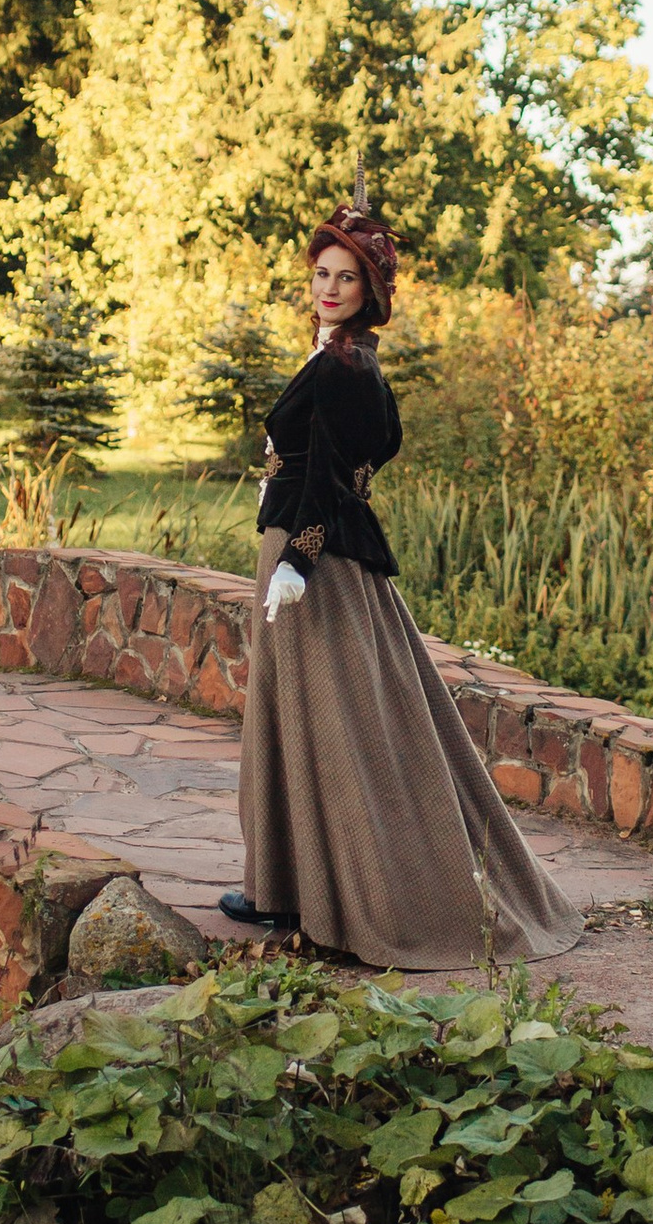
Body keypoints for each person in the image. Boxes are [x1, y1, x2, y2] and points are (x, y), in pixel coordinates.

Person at [221, 205, 586, 968]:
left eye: (346, 277)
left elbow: (332, 473)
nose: (329, 287)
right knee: (291, 716)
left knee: (334, 724)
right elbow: (339, 455)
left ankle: (358, 896)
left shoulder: (346, 366)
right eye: (322, 273)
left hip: (313, 564)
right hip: (301, 547)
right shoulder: (344, 358)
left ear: (370, 288)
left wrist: (299, 558)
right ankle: (284, 885)